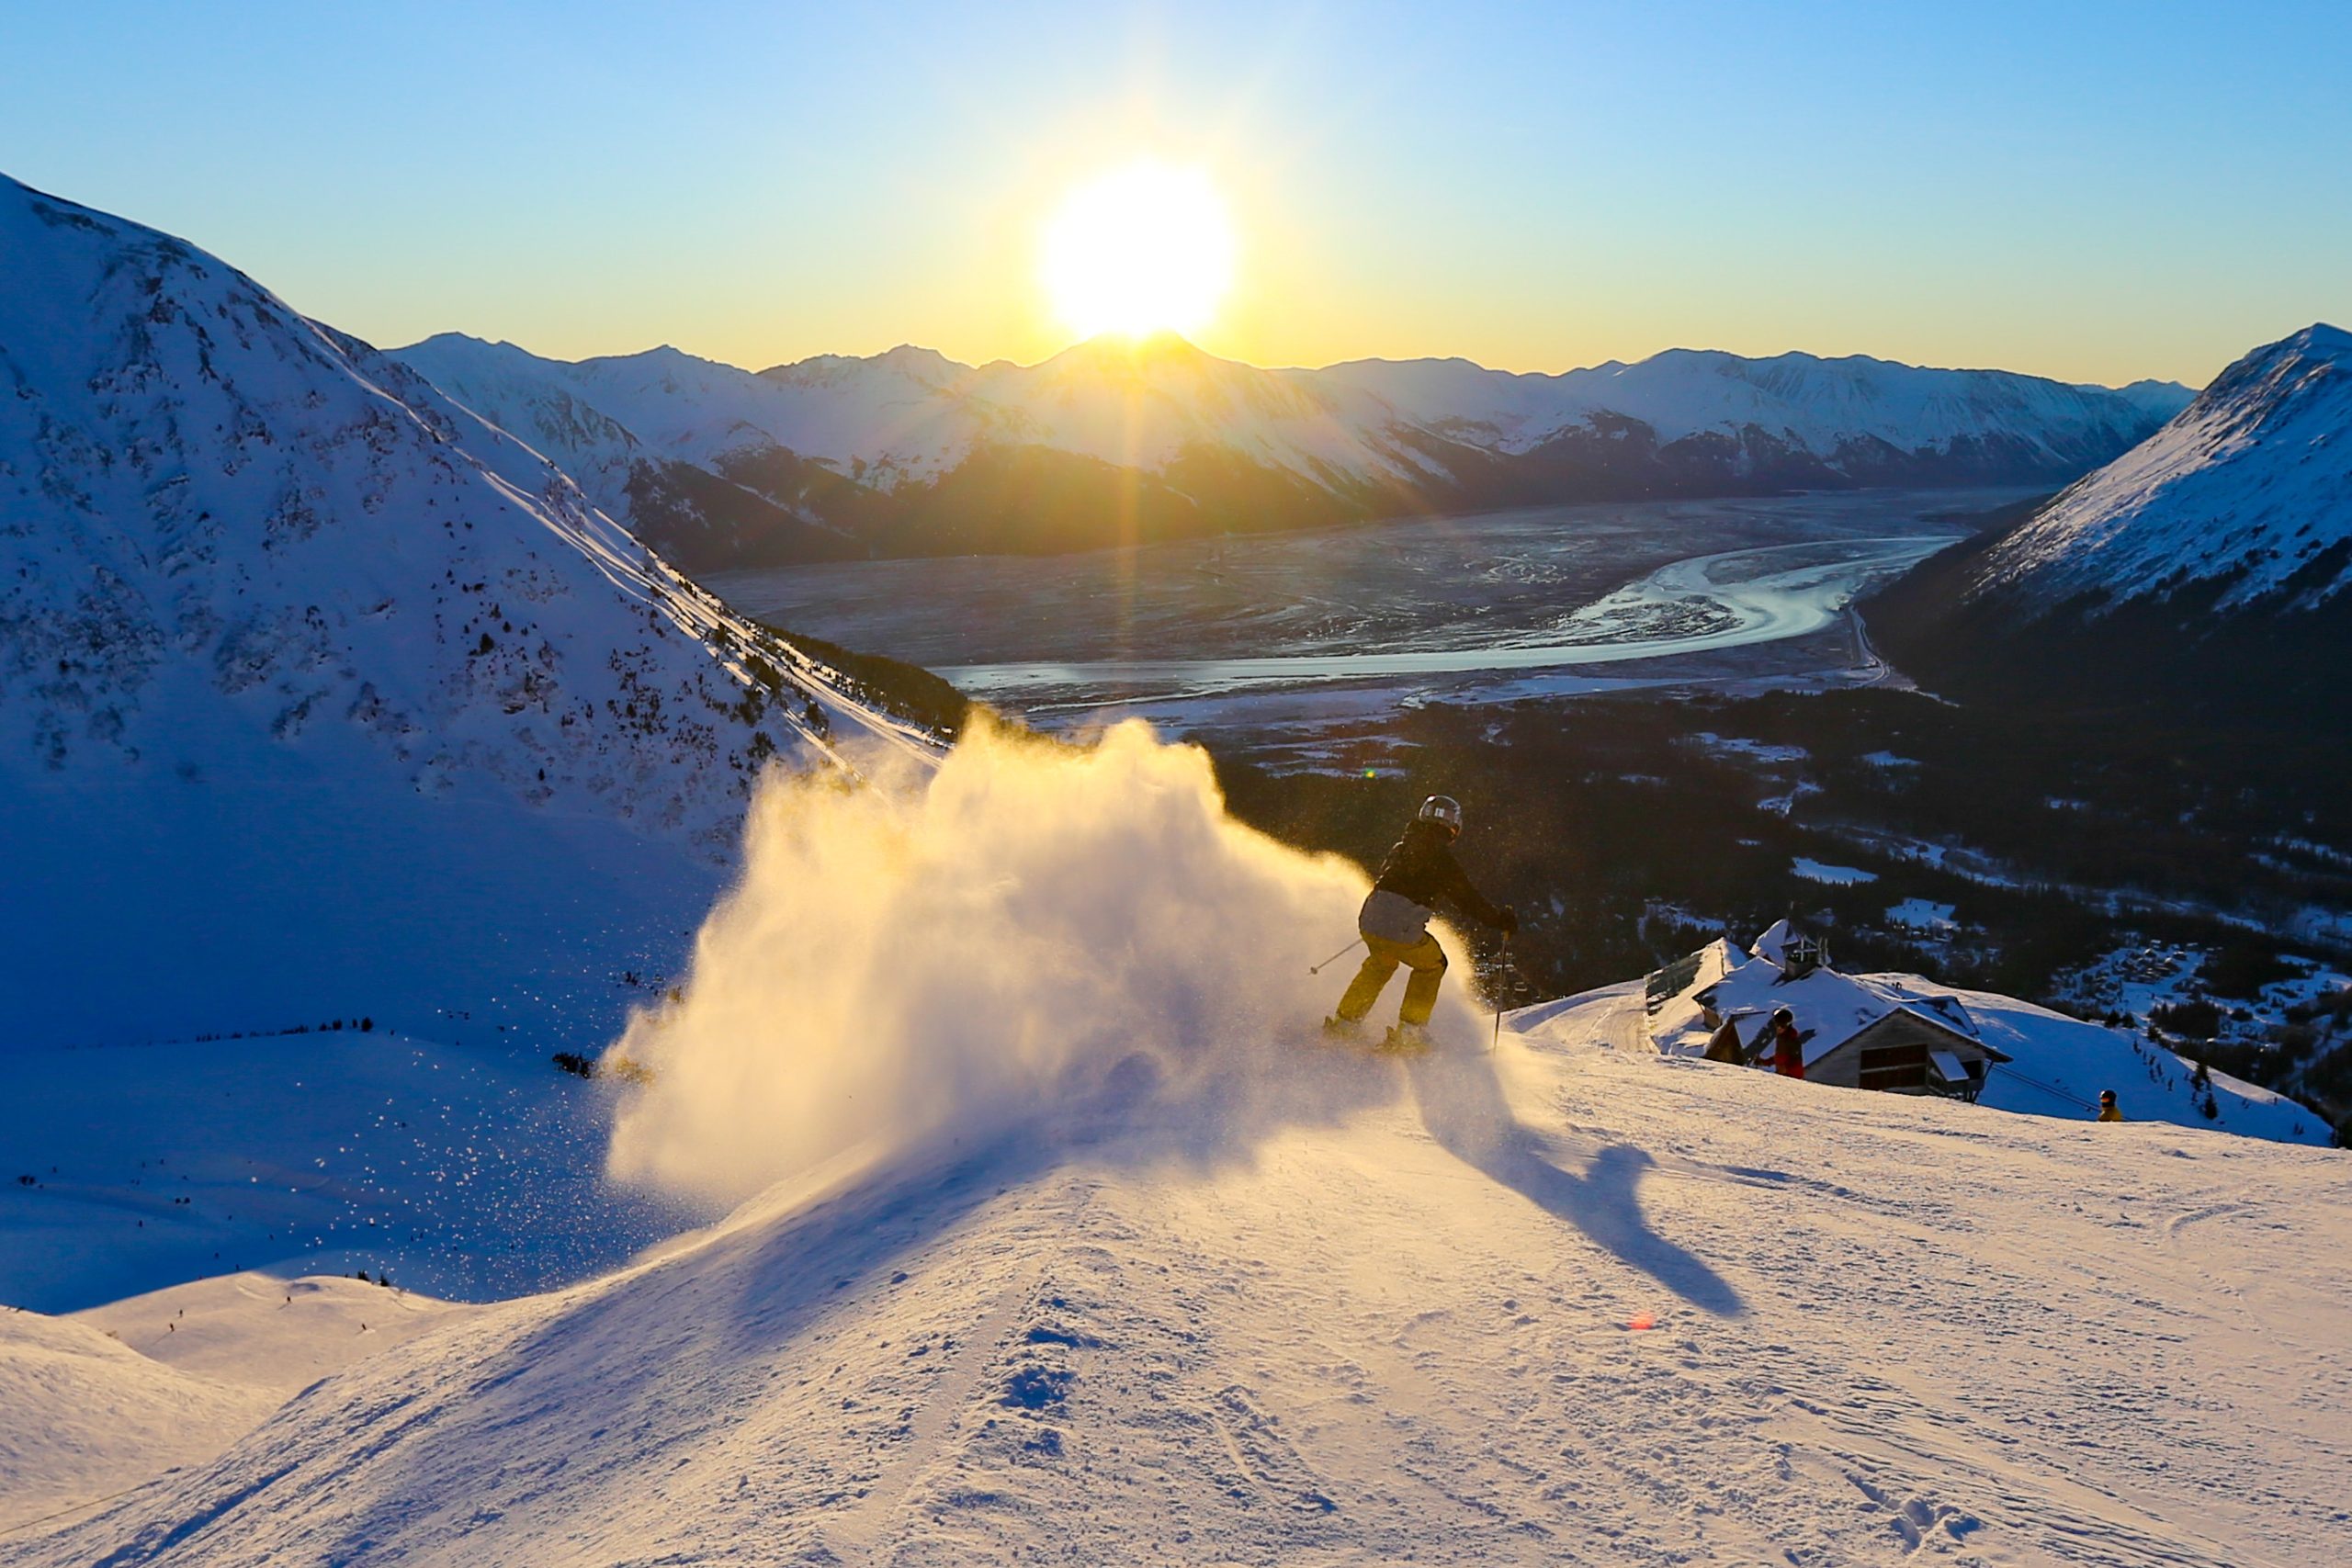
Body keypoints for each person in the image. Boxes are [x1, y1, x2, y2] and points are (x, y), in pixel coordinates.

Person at [1325, 795, 1516, 1050]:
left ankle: (1345, 1024)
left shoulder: (1401, 847)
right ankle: (1410, 1033)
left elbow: (1388, 880)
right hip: (1399, 925)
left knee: (1381, 963)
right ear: (1453, 827)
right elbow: (1466, 898)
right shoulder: (1441, 858)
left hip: (1370, 917)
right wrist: (1499, 920)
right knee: (1433, 966)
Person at [1754, 1006, 1812, 1080]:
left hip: (1791, 1076)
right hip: (1787, 1074)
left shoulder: (1789, 1038)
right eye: (1777, 1025)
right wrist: (1764, 1062)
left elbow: (1789, 1058)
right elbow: (1780, 1056)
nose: (1779, 1028)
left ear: (1788, 1025)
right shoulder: (1784, 1036)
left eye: (1782, 1026)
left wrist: (1786, 1070)